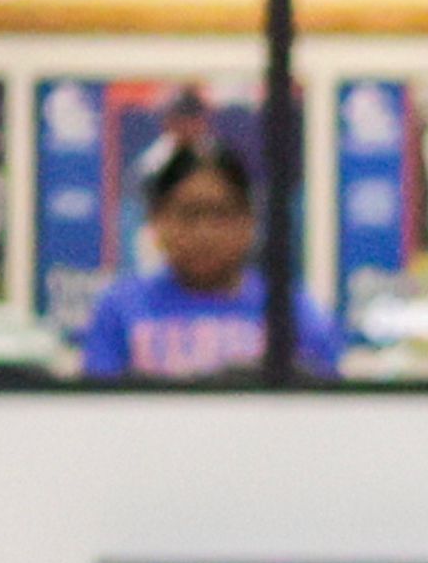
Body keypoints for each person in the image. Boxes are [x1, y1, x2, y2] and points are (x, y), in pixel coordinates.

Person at [75, 130, 344, 382]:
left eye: (220, 213)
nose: (205, 233)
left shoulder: (293, 313)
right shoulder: (120, 310)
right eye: (189, 214)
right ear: (156, 222)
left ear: (249, 222)